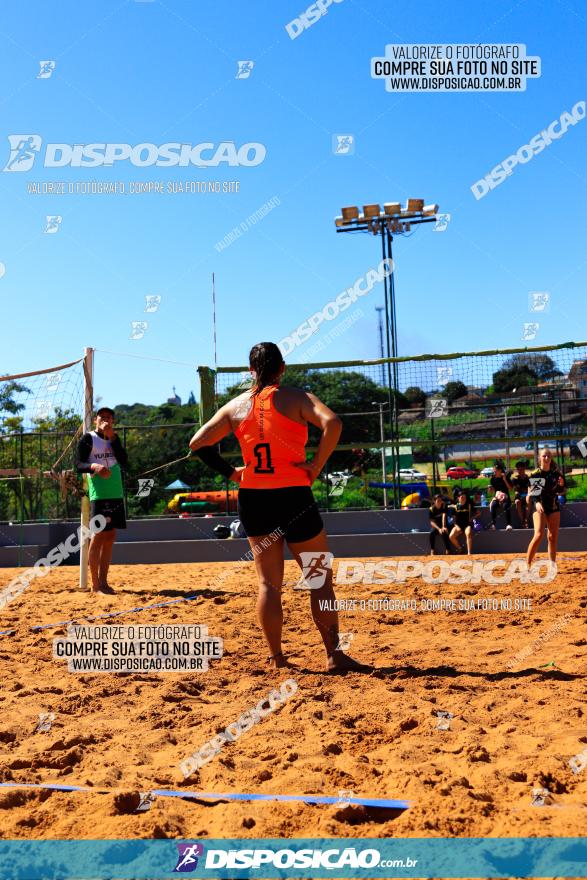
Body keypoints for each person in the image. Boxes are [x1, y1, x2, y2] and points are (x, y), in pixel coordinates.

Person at [189, 341, 367, 672]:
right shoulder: (296, 397)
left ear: (250, 372)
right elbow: (334, 424)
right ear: (282, 368)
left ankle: (277, 658)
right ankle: (334, 655)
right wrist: (315, 465)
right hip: (293, 495)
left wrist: (231, 472)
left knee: (269, 585)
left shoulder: (236, 406)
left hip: (255, 497)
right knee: (319, 578)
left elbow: (197, 443)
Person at [76, 407, 128, 595]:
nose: (105, 420)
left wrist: (112, 437)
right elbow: (78, 464)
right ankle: (96, 585)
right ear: (96, 420)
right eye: (102, 417)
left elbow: (124, 460)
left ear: (113, 421)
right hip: (99, 494)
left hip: (116, 491)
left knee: (110, 536)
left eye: (108, 417)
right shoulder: (88, 438)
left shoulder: (114, 438)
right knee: (98, 536)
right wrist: (95, 466)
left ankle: (105, 582)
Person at [527, 448, 566, 568]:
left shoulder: (556, 474)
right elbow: (533, 495)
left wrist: (561, 486)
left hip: (553, 506)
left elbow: (561, 490)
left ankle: (552, 564)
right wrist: (537, 503)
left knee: (552, 537)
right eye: (544, 456)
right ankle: (528, 563)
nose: (547, 458)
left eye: (549, 456)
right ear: (540, 458)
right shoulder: (536, 474)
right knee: (539, 534)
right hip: (539, 506)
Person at [449, 489, 477, 555]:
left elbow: (479, 513)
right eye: (461, 497)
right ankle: (460, 549)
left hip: (467, 524)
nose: (463, 498)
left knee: (468, 533)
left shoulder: (469, 505)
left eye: (464, 497)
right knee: (451, 536)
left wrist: (471, 518)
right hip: (458, 525)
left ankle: (469, 553)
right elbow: (454, 520)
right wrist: (457, 527)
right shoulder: (455, 507)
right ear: (458, 498)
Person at [488, 461, 513, 530]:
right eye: (494, 471)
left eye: (495, 471)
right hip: (497, 497)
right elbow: (492, 491)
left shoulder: (506, 477)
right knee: (493, 505)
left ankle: (509, 524)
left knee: (506, 505)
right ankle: (493, 524)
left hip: (506, 497)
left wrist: (505, 480)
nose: (494, 472)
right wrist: (490, 489)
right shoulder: (493, 479)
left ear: (500, 470)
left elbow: (510, 489)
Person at [511, 459, 531, 528]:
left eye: (521, 469)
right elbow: (514, 490)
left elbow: (530, 489)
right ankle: (523, 520)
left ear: (524, 469)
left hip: (527, 496)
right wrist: (516, 492)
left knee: (529, 499)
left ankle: (526, 519)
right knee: (517, 501)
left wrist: (528, 494)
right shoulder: (515, 479)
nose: (520, 471)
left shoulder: (529, 478)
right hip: (519, 496)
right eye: (518, 469)